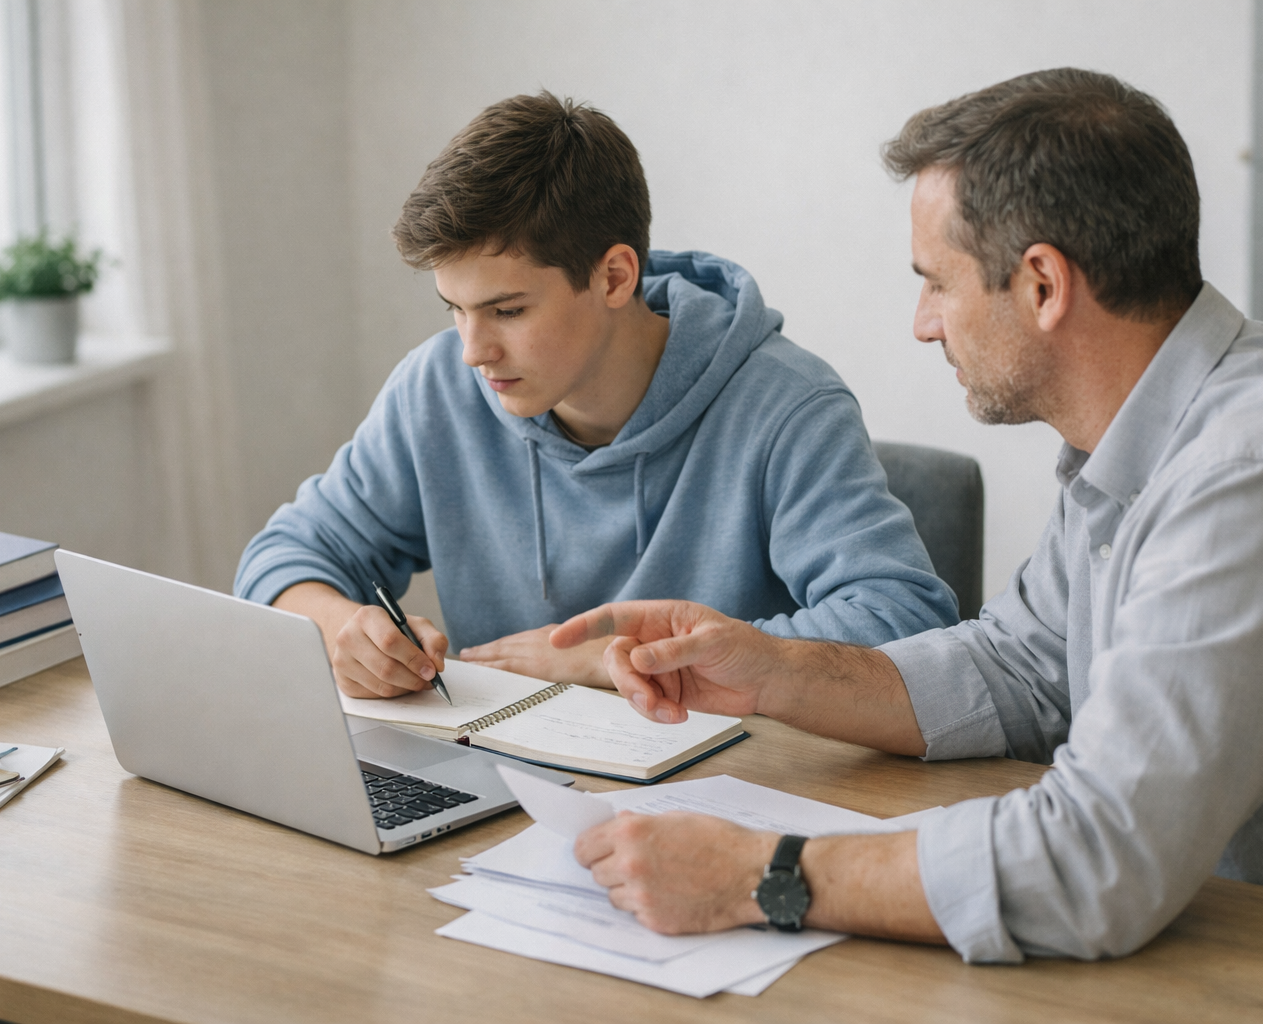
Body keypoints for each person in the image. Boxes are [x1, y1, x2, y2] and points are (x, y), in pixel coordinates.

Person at [547, 68, 1263, 962]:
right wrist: (773, 674)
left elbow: (1099, 863)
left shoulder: (1256, 477)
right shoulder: (1159, 426)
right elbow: (1021, 667)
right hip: (1221, 946)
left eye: (937, 282)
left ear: (1043, 285)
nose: (922, 323)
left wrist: (758, 876)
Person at [233, 91, 956, 700]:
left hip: (723, 798)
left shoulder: (785, 407)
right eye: (453, 309)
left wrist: (615, 661)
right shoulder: (439, 388)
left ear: (613, 277)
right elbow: (285, 555)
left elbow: (902, 624)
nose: (472, 350)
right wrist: (340, 629)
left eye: (508, 311)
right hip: (510, 783)